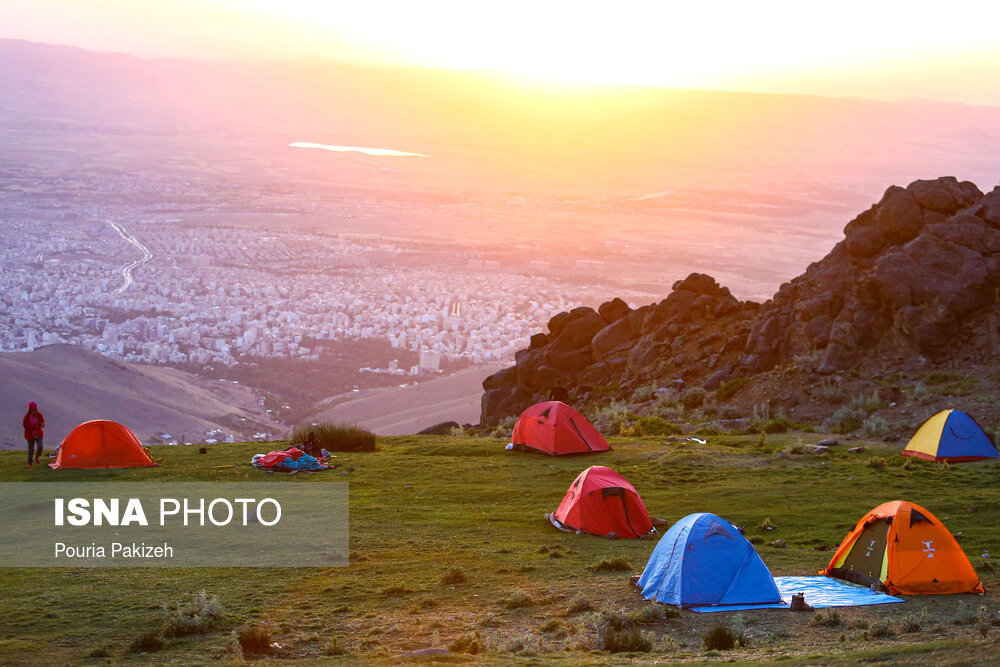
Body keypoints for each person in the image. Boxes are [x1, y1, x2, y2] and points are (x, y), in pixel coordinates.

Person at [23, 401, 45, 469]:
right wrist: (34, 426)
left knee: (40, 446)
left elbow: (43, 421)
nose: (35, 411)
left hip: (38, 434)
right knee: (31, 451)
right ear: (30, 410)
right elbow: (25, 425)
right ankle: (30, 464)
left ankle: (37, 457)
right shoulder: (27, 417)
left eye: (36, 410)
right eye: (33, 410)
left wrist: (42, 424)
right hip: (30, 436)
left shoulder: (39, 414)